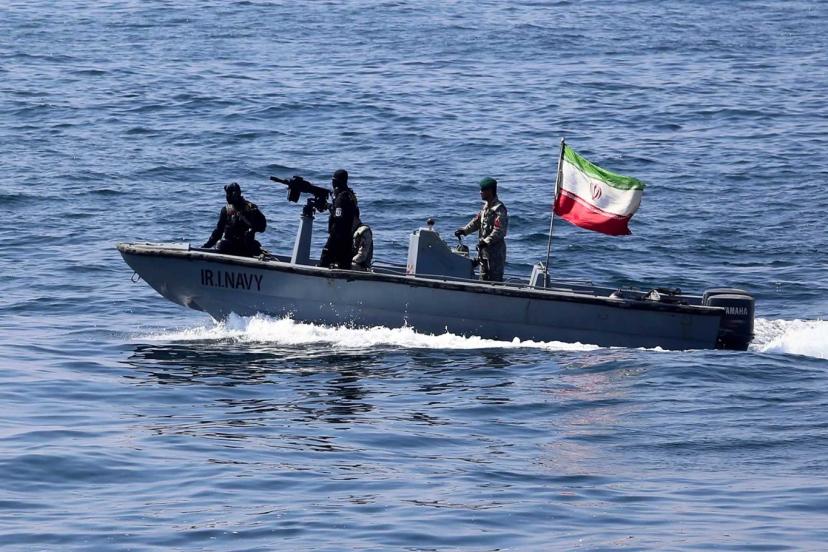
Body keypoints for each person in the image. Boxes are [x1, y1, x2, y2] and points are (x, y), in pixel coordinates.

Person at [454, 177, 509, 282]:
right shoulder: (486, 207)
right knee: (482, 279)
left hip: (495, 254)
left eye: (483, 190)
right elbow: (477, 221)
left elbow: (499, 230)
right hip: (483, 253)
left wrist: (486, 242)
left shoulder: (499, 209)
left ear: (490, 191)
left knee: (494, 281)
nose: (480, 192)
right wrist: (464, 231)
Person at [202, 182, 267, 257]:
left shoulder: (250, 208)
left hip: (246, 247)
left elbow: (262, 227)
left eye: (229, 194)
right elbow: (218, 232)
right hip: (230, 245)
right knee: (220, 244)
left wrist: (252, 227)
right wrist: (205, 247)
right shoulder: (226, 210)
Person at [319, 169, 358, 269]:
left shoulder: (341, 197)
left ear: (336, 182)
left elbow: (338, 216)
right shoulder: (351, 196)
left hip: (337, 237)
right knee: (344, 266)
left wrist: (329, 206)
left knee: (325, 260)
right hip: (348, 237)